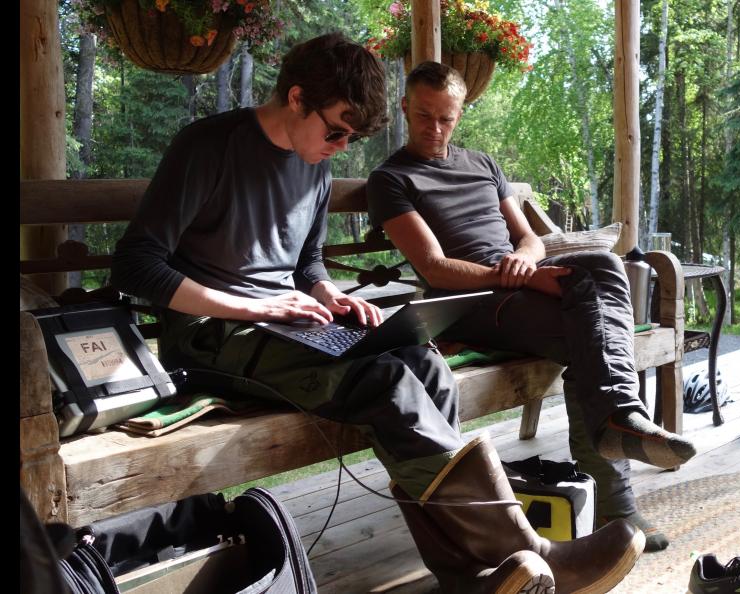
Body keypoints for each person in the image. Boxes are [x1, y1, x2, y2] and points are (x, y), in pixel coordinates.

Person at [112, 34, 643, 594]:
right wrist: (250, 304)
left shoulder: (313, 169)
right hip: (211, 335)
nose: (340, 148)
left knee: (423, 362)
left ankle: (468, 578)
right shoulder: (208, 146)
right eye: (336, 130)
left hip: (287, 325)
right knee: (389, 383)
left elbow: (305, 262)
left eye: (354, 137)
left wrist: (327, 294)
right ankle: (526, 549)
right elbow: (136, 264)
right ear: (296, 98)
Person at [367, 61, 697, 554]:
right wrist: (520, 277)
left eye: (446, 118)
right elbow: (434, 268)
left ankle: (618, 419)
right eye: (423, 116)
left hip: (517, 288)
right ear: (404, 108)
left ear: (461, 112)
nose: (435, 129)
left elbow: (527, 235)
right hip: (470, 304)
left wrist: (524, 259)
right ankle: (619, 493)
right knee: (591, 336)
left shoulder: (482, 164)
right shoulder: (391, 178)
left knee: (600, 268)